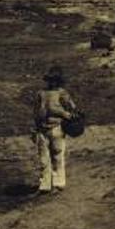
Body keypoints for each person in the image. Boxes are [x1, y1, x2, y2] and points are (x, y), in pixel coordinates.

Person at [33, 66, 77, 194]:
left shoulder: (56, 93)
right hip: (45, 129)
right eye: (51, 80)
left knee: (56, 156)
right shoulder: (44, 93)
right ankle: (47, 185)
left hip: (55, 127)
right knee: (44, 158)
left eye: (55, 80)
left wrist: (65, 114)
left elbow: (72, 108)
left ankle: (56, 184)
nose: (52, 83)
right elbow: (36, 112)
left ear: (58, 81)